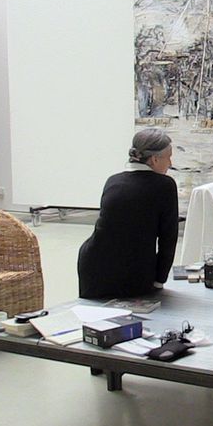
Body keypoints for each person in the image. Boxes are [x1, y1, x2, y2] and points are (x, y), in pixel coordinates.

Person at [76, 128, 179, 299]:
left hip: (94, 266)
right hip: (134, 272)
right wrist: (160, 279)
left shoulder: (113, 181)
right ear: (154, 159)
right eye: (169, 157)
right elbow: (168, 237)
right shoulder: (165, 185)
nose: (170, 162)